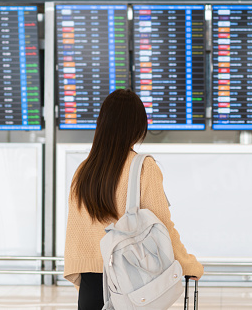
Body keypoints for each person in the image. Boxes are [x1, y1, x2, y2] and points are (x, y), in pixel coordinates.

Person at [64, 89, 204, 310]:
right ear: (137, 127)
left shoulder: (83, 171)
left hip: (90, 286)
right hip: (129, 283)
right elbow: (162, 227)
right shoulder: (142, 167)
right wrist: (188, 265)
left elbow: (75, 232)